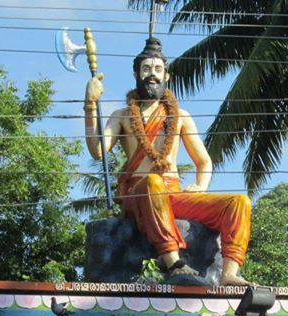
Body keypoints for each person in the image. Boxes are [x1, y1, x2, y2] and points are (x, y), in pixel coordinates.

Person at [84, 38, 251, 286]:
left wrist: (200, 186)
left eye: (158, 69)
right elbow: (98, 150)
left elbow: (204, 163)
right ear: (136, 73)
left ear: (167, 76)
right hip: (139, 195)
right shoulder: (121, 116)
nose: (152, 75)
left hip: (171, 194)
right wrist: (89, 105)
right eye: (146, 69)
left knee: (239, 202)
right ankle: (174, 262)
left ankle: (229, 274)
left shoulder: (180, 116)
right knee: (152, 182)